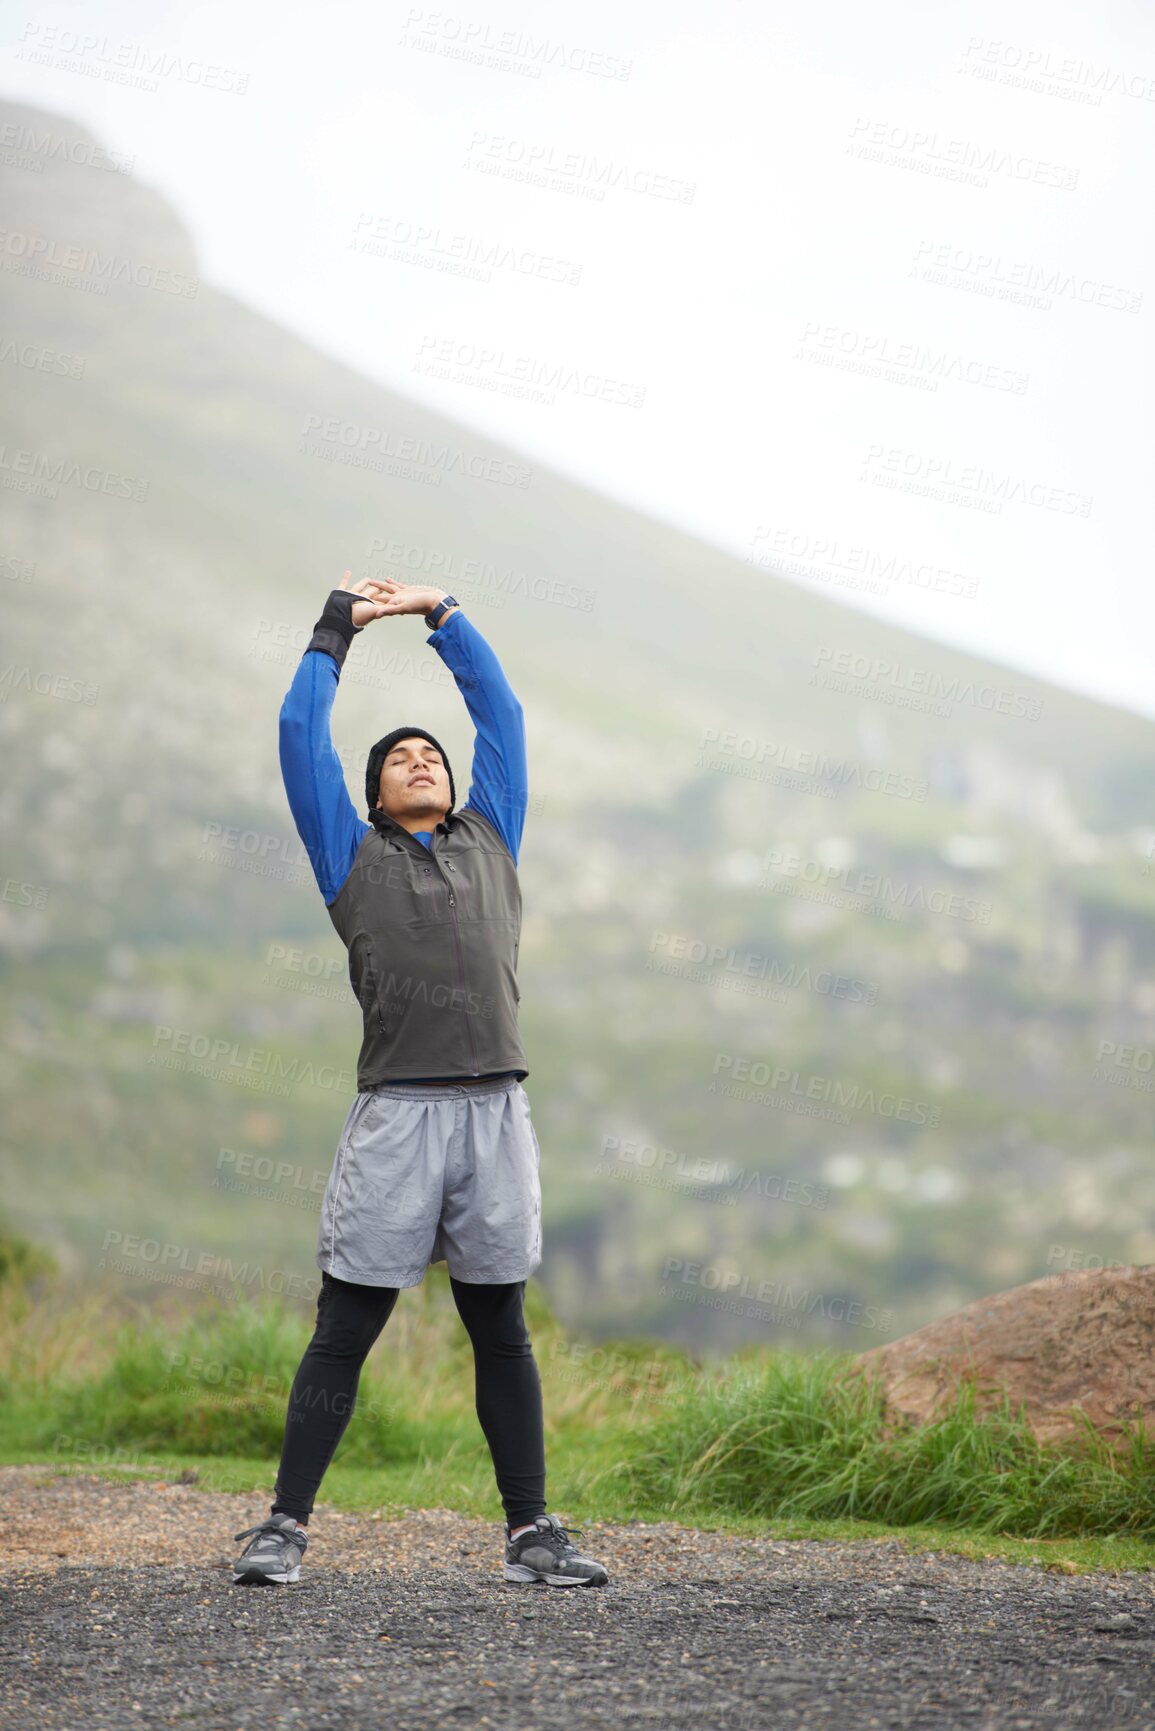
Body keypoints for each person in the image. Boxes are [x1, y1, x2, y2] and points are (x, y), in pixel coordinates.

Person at [231, 572, 608, 1589]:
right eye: (399, 759)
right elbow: (297, 735)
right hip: (398, 1116)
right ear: (371, 798)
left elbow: (503, 715)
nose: (421, 760)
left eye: (430, 753)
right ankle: (282, 1529)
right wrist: (333, 631)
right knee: (346, 1326)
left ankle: (531, 1535)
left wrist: (443, 616)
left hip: (496, 1112)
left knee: (500, 1327)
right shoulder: (348, 859)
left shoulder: (495, 836)